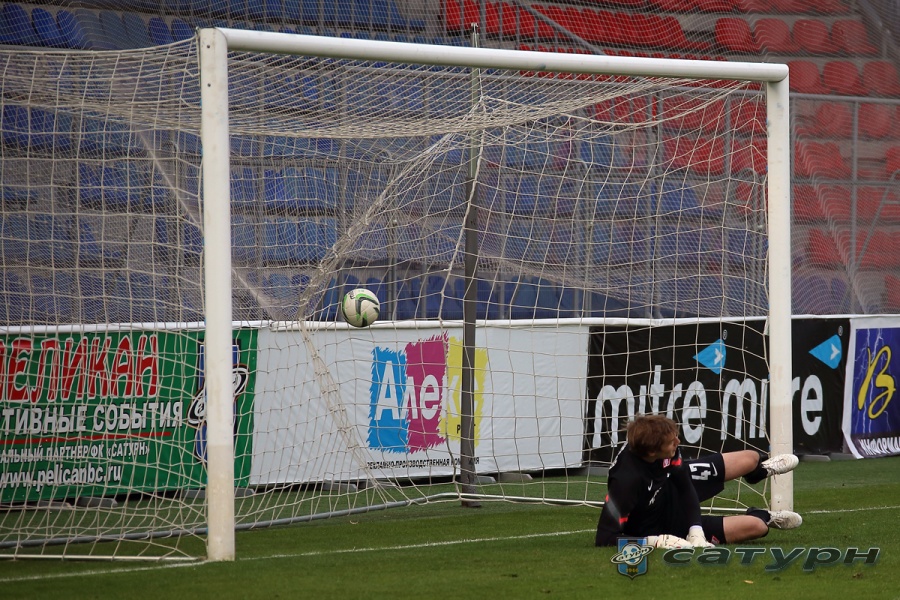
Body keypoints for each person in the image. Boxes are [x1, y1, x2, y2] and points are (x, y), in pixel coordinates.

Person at [595, 414, 802, 548]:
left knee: (750, 458)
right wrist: (654, 541)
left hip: (672, 484)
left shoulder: (664, 449)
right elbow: (604, 538)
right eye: (672, 442)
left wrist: (696, 529)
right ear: (652, 452)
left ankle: (758, 471)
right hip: (662, 526)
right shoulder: (626, 483)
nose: (678, 442)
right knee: (757, 527)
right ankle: (765, 515)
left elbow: (685, 487)